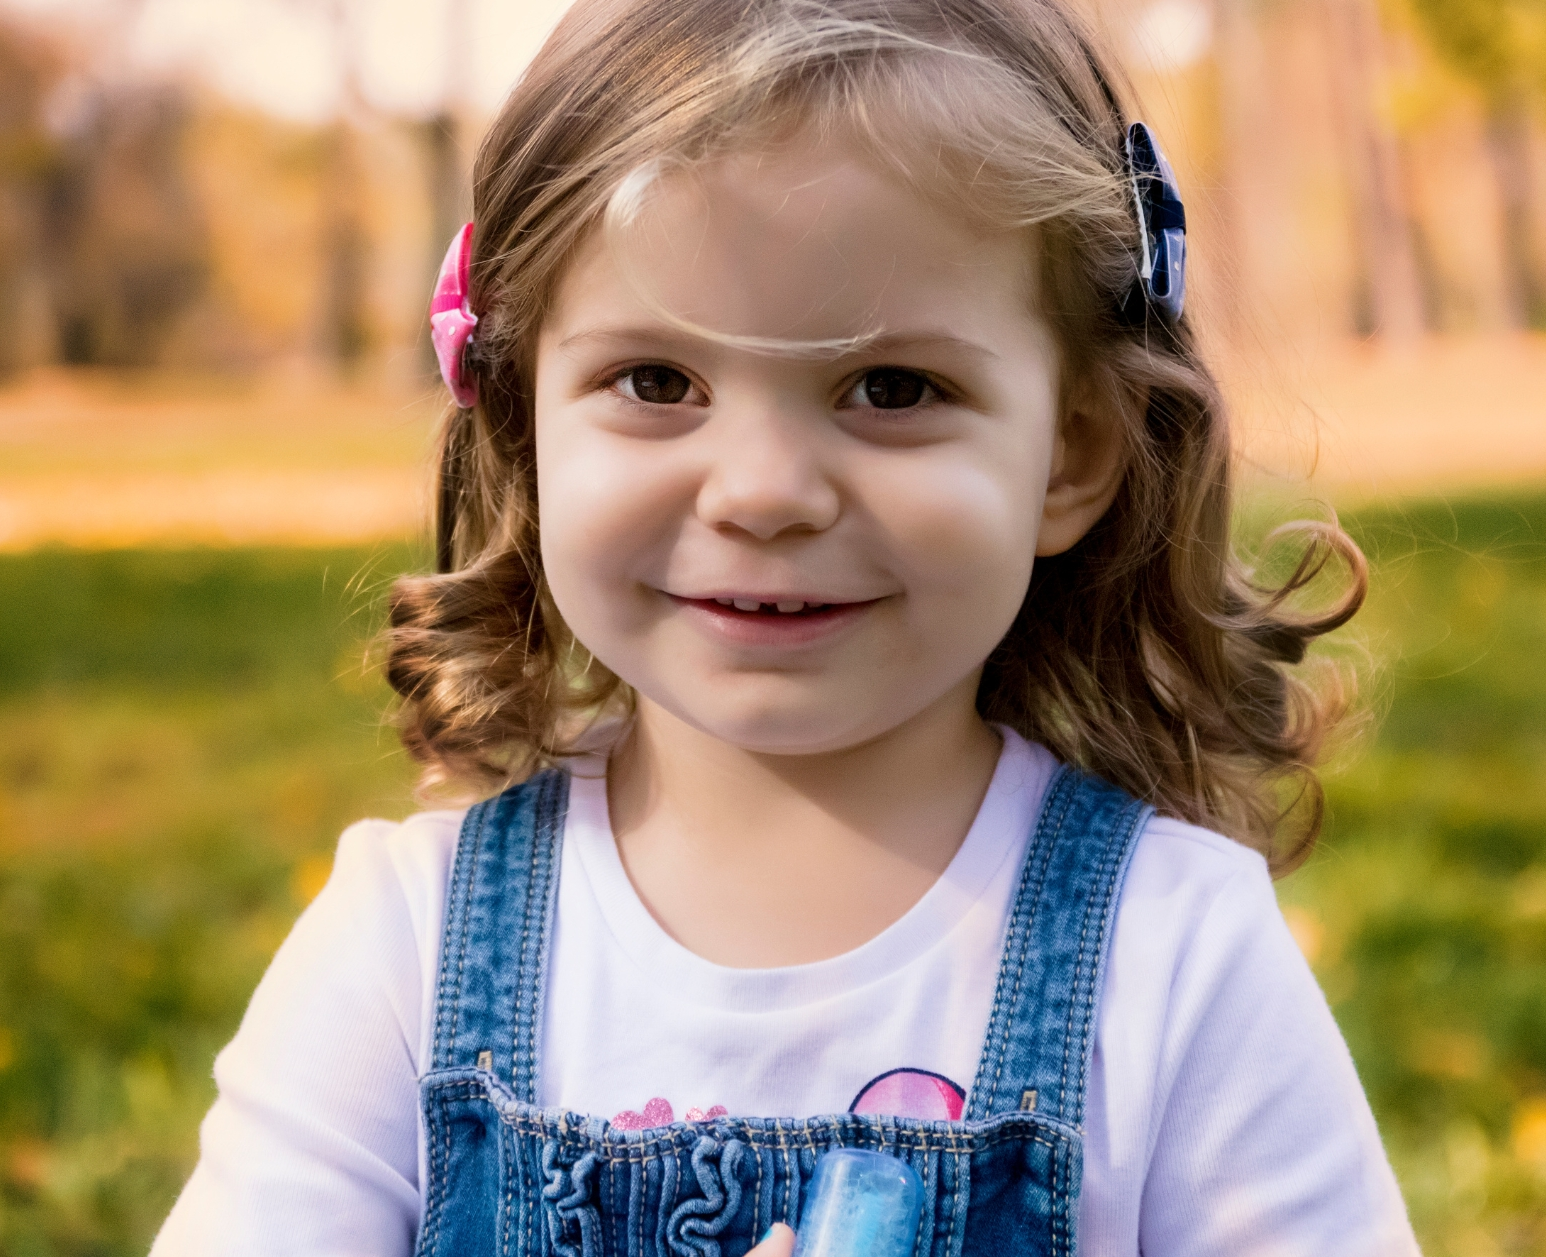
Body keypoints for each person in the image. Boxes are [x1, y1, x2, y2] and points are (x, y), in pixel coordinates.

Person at [152, 0, 1420, 1253]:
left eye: (891, 388)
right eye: (657, 383)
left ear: (1070, 454)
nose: (762, 491)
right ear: (522, 417)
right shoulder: (405, 957)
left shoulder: (1174, 955)